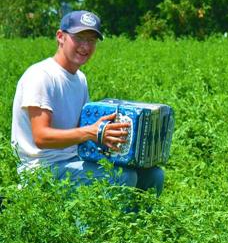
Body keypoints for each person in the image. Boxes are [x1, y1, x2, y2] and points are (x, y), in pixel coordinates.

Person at [10, 10, 164, 195]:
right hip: (42, 169)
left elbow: (83, 132)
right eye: (79, 37)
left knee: (154, 175)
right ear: (60, 37)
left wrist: (120, 142)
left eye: (91, 40)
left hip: (74, 158)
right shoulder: (41, 76)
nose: (85, 46)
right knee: (123, 177)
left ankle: (138, 223)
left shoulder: (80, 79)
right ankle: (91, 225)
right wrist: (92, 132)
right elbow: (41, 137)